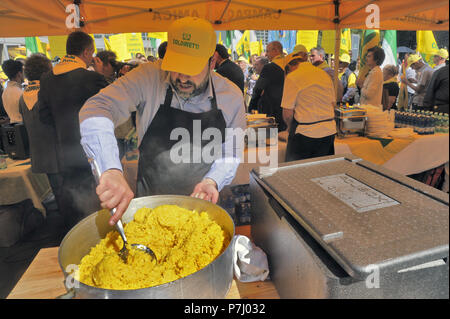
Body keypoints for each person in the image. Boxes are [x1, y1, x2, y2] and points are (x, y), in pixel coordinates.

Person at [79, 17, 246, 226]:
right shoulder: (148, 77)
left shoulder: (231, 96)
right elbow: (97, 108)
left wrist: (213, 180)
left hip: (202, 208)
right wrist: (110, 169)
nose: (182, 78)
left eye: (191, 69)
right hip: (150, 205)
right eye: (176, 66)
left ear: (212, 62)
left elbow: (230, 154)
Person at [38, 31, 109, 232]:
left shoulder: (47, 79)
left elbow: (43, 116)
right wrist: (101, 73)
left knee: (75, 205)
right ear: (87, 52)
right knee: (98, 206)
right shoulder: (93, 78)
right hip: (93, 154)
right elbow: (112, 111)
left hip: (64, 154)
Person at [18, 54, 61, 211]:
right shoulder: (47, 93)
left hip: (39, 154)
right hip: (57, 153)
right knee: (66, 195)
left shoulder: (23, 97)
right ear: (46, 71)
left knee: (57, 192)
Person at [281, 49, 337, 162]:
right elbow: (332, 104)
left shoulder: (292, 77)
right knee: (322, 173)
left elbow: (287, 113)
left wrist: (288, 127)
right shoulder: (323, 74)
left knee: (297, 173)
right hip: (328, 132)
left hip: (305, 134)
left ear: (290, 67)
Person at [248, 41, 287, 131]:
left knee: (269, 141)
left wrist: (252, 106)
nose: (266, 54)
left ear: (275, 50)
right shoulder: (289, 65)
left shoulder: (269, 67)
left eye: (268, 51)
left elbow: (258, 88)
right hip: (287, 110)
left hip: (271, 111)